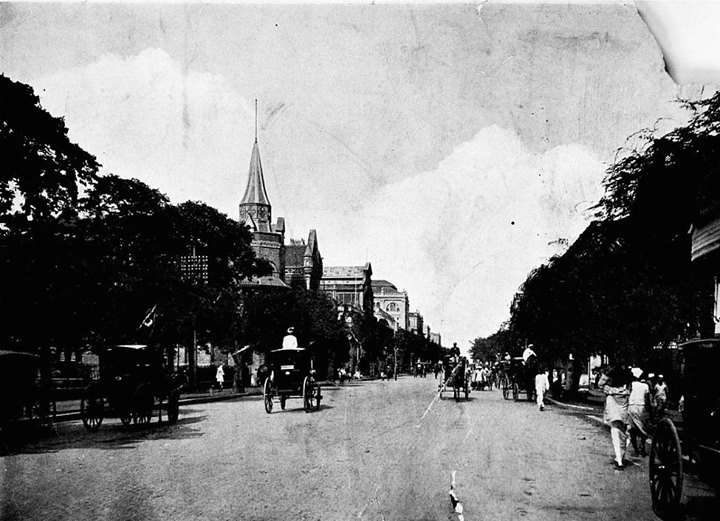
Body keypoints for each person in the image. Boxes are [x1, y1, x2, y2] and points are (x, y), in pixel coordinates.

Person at [599, 365, 631, 470]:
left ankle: (619, 460)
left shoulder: (609, 390)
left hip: (613, 415)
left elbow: (600, 384)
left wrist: (605, 375)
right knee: (623, 437)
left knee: (615, 437)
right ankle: (620, 457)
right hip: (624, 416)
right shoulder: (626, 392)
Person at [628, 367, 650, 457]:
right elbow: (647, 399)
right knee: (642, 428)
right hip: (641, 407)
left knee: (632, 429)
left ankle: (636, 449)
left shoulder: (630, 385)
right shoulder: (645, 386)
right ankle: (642, 446)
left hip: (631, 406)